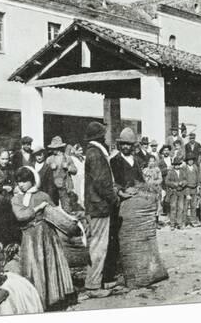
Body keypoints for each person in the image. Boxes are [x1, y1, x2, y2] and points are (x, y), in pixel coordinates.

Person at [11, 166, 76, 310]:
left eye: (24, 181)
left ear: (32, 181)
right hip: (29, 236)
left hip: (46, 235)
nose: (21, 184)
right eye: (18, 182)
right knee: (34, 266)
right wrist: (38, 208)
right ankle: (38, 300)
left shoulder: (43, 195)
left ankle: (53, 299)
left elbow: (54, 212)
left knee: (48, 264)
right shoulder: (16, 199)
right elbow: (20, 216)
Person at [83, 122, 119, 297]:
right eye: (103, 135)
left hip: (96, 205)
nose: (105, 138)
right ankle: (93, 286)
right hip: (99, 206)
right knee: (98, 246)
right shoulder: (96, 154)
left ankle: (99, 281)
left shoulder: (93, 152)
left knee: (99, 245)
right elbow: (101, 182)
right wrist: (114, 198)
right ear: (99, 137)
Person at [108, 127, 145, 284]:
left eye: (128, 144)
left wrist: (139, 189)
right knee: (116, 237)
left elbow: (141, 180)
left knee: (134, 236)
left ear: (133, 146)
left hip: (134, 203)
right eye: (123, 144)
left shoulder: (136, 161)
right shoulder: (114, 161)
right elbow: (112, 182)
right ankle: (114, 271)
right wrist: (122, 191)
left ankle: (133, 267)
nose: (125, 147)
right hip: (120, 202)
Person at [0, 148, 21, 246]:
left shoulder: (10, 169)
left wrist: (13, 187)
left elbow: (14, 182)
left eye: (6, 159)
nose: (5, 161)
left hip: (8, 200)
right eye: (2, 159)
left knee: (10, 223)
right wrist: (1, 188)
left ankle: (10, 246)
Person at [46, 136, 78, 213]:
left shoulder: (67, 158)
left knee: (67, 208)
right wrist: (50, 168)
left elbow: (75, 170)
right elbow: (45, 173)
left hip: (64, 186)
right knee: (53, 207)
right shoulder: (49, 159)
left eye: (55, 148)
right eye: (53, 148)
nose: (54, 150)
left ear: (59, 148)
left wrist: (68, 167)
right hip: (53, 187)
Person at [165, 156, 187, 230]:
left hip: (181, 192)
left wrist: (182, 183)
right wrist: (174, 184)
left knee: (180, 208)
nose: (177, 166)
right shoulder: (170, 172)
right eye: (176, 164)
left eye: (178, 164)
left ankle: (179, 223)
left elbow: (186, 180)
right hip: (173, 192)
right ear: (174, 165)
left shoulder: (182, 171)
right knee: (173, 208)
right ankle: (172, 224)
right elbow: (167, 181)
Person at [143, 155, 163, 227]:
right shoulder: (145, 170)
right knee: (148, 205)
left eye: (153, 161)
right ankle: (149, 222)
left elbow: (160, 179)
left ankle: (156, 222)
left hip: (156, 189)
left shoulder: (157, 170)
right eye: (150, 161)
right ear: (147, 162)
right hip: (148, 190)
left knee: (157, 205)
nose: (151, 163)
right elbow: (143, 180)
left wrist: (155, 182)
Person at [184, 152, 200, 227]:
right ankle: (185, 221)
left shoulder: (195, 167)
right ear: (187, 161)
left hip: (194, 188)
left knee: (193, 205)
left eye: (192, 160)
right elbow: (183, 178)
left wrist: (198, 185)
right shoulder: (184, 168)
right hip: (187, 188)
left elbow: (198, 176)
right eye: (189, 160)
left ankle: (193, 220)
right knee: (186, 205)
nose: (190, 161)